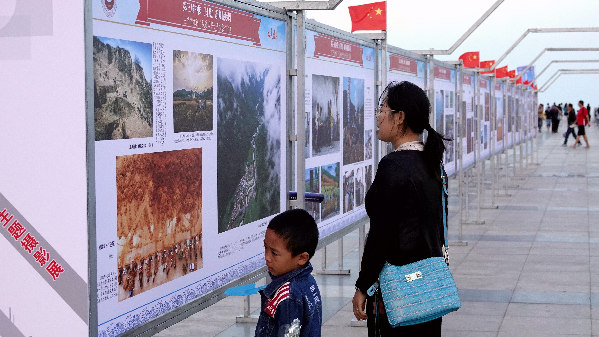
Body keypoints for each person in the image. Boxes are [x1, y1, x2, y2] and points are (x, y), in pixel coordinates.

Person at [352, 81, 449, 336]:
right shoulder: (431, 163)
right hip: (428, 287)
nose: (378, 116)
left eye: (383, 109)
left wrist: (363, 286)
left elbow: (380, 236)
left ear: (400, 117)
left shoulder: (393, 166)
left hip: (399, 293)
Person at [255, 209, 322, 337]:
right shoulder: (307, 280)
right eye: (265, 248)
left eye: (274, 253)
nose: (267, 257)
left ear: (302, 258)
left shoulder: (288, 296)